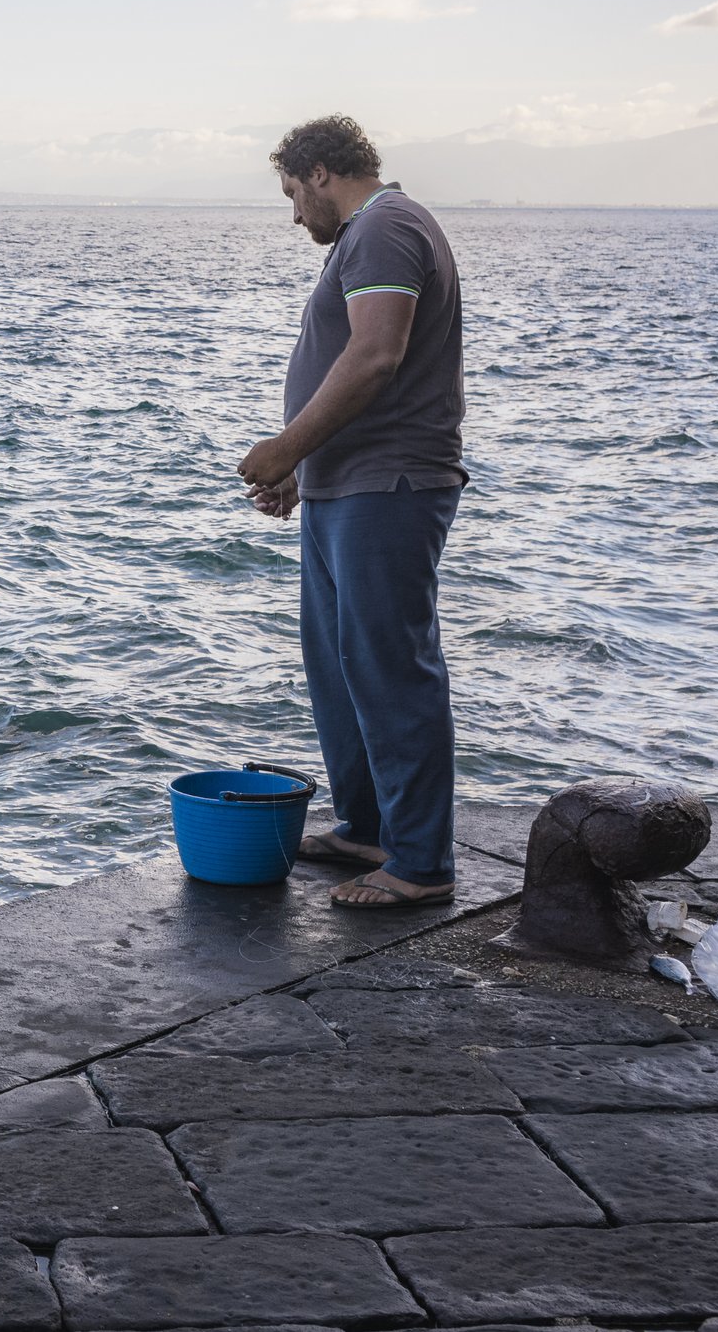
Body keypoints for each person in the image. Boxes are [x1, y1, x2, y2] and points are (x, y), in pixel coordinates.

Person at [238, 116, 467, 910]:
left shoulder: (385, 227)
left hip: (390, 485)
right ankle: (368, 827)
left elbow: (375, 356)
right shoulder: (368, 235)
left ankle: (421, 862)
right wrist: (307, 465)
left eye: (295, 195)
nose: (295, 215)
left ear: (323, 173)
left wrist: (286, 443)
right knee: (341, 665)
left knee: (389, 666)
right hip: (348, 483)